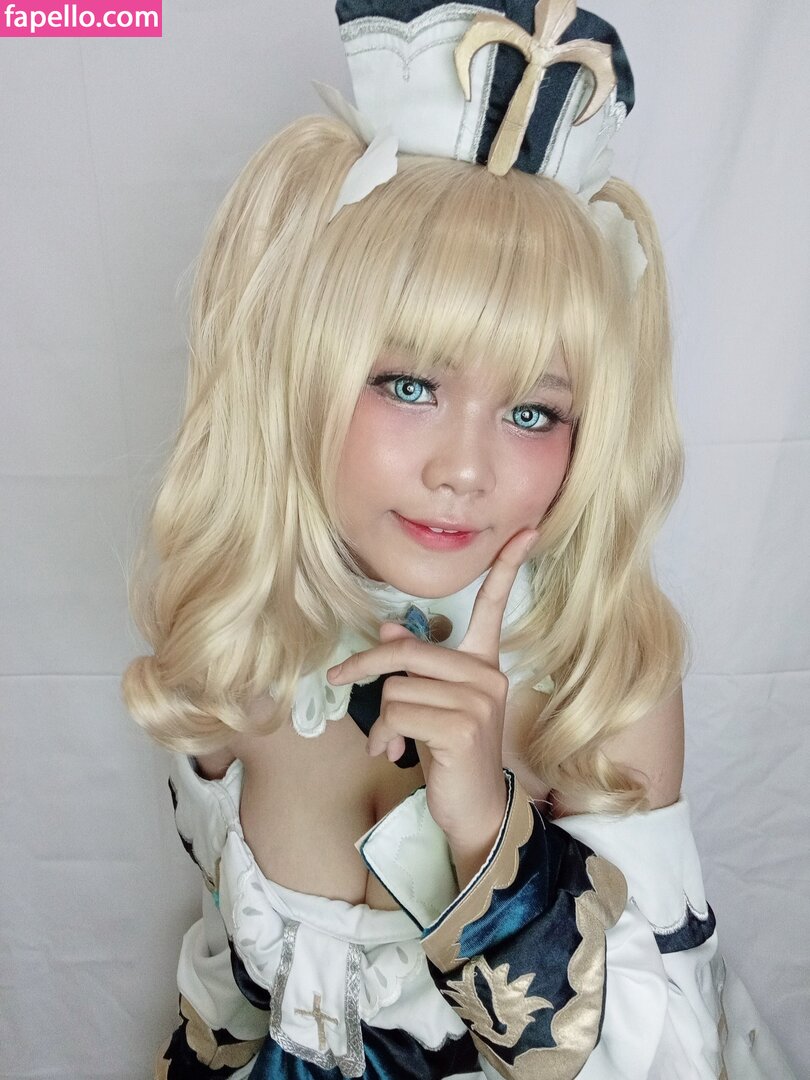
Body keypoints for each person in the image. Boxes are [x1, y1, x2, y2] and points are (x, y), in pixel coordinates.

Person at [122, 2, 797, 1077]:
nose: (466, 469)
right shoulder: (236, 640)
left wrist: (486, 827)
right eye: (409, 385)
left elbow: (667, 1057)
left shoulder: (599, 676)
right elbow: (231, 982)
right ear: (302, 371)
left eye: (532, 411)